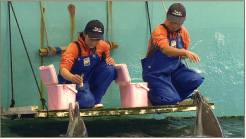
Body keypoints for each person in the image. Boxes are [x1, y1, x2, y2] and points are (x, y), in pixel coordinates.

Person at [141, 3, 204, 106]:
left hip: (174, 71)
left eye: (178, 23)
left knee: (196, 79)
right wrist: (184, 52)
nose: (174, 25)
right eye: (172, 21)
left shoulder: (184, 33)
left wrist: (185, 54)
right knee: (170, 100)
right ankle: (152, 98)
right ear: (167, 17)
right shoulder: (159, 30)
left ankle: (172, 97)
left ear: (183, 21)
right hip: (156, 73)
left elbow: (182, 57)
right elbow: (165, 49)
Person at [58, 20, 118, 109]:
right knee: (87, 101)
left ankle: (95, 102)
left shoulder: (104, 46)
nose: (93, 43)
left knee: (110, 68)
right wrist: (72, 77)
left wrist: (110, 62)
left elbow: (104, 65)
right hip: (74, 82)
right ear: (85, 34)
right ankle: (76, 101)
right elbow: (63, 70)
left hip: (89, 80)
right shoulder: (74, 47)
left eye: (97, 40)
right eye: (91, 39)